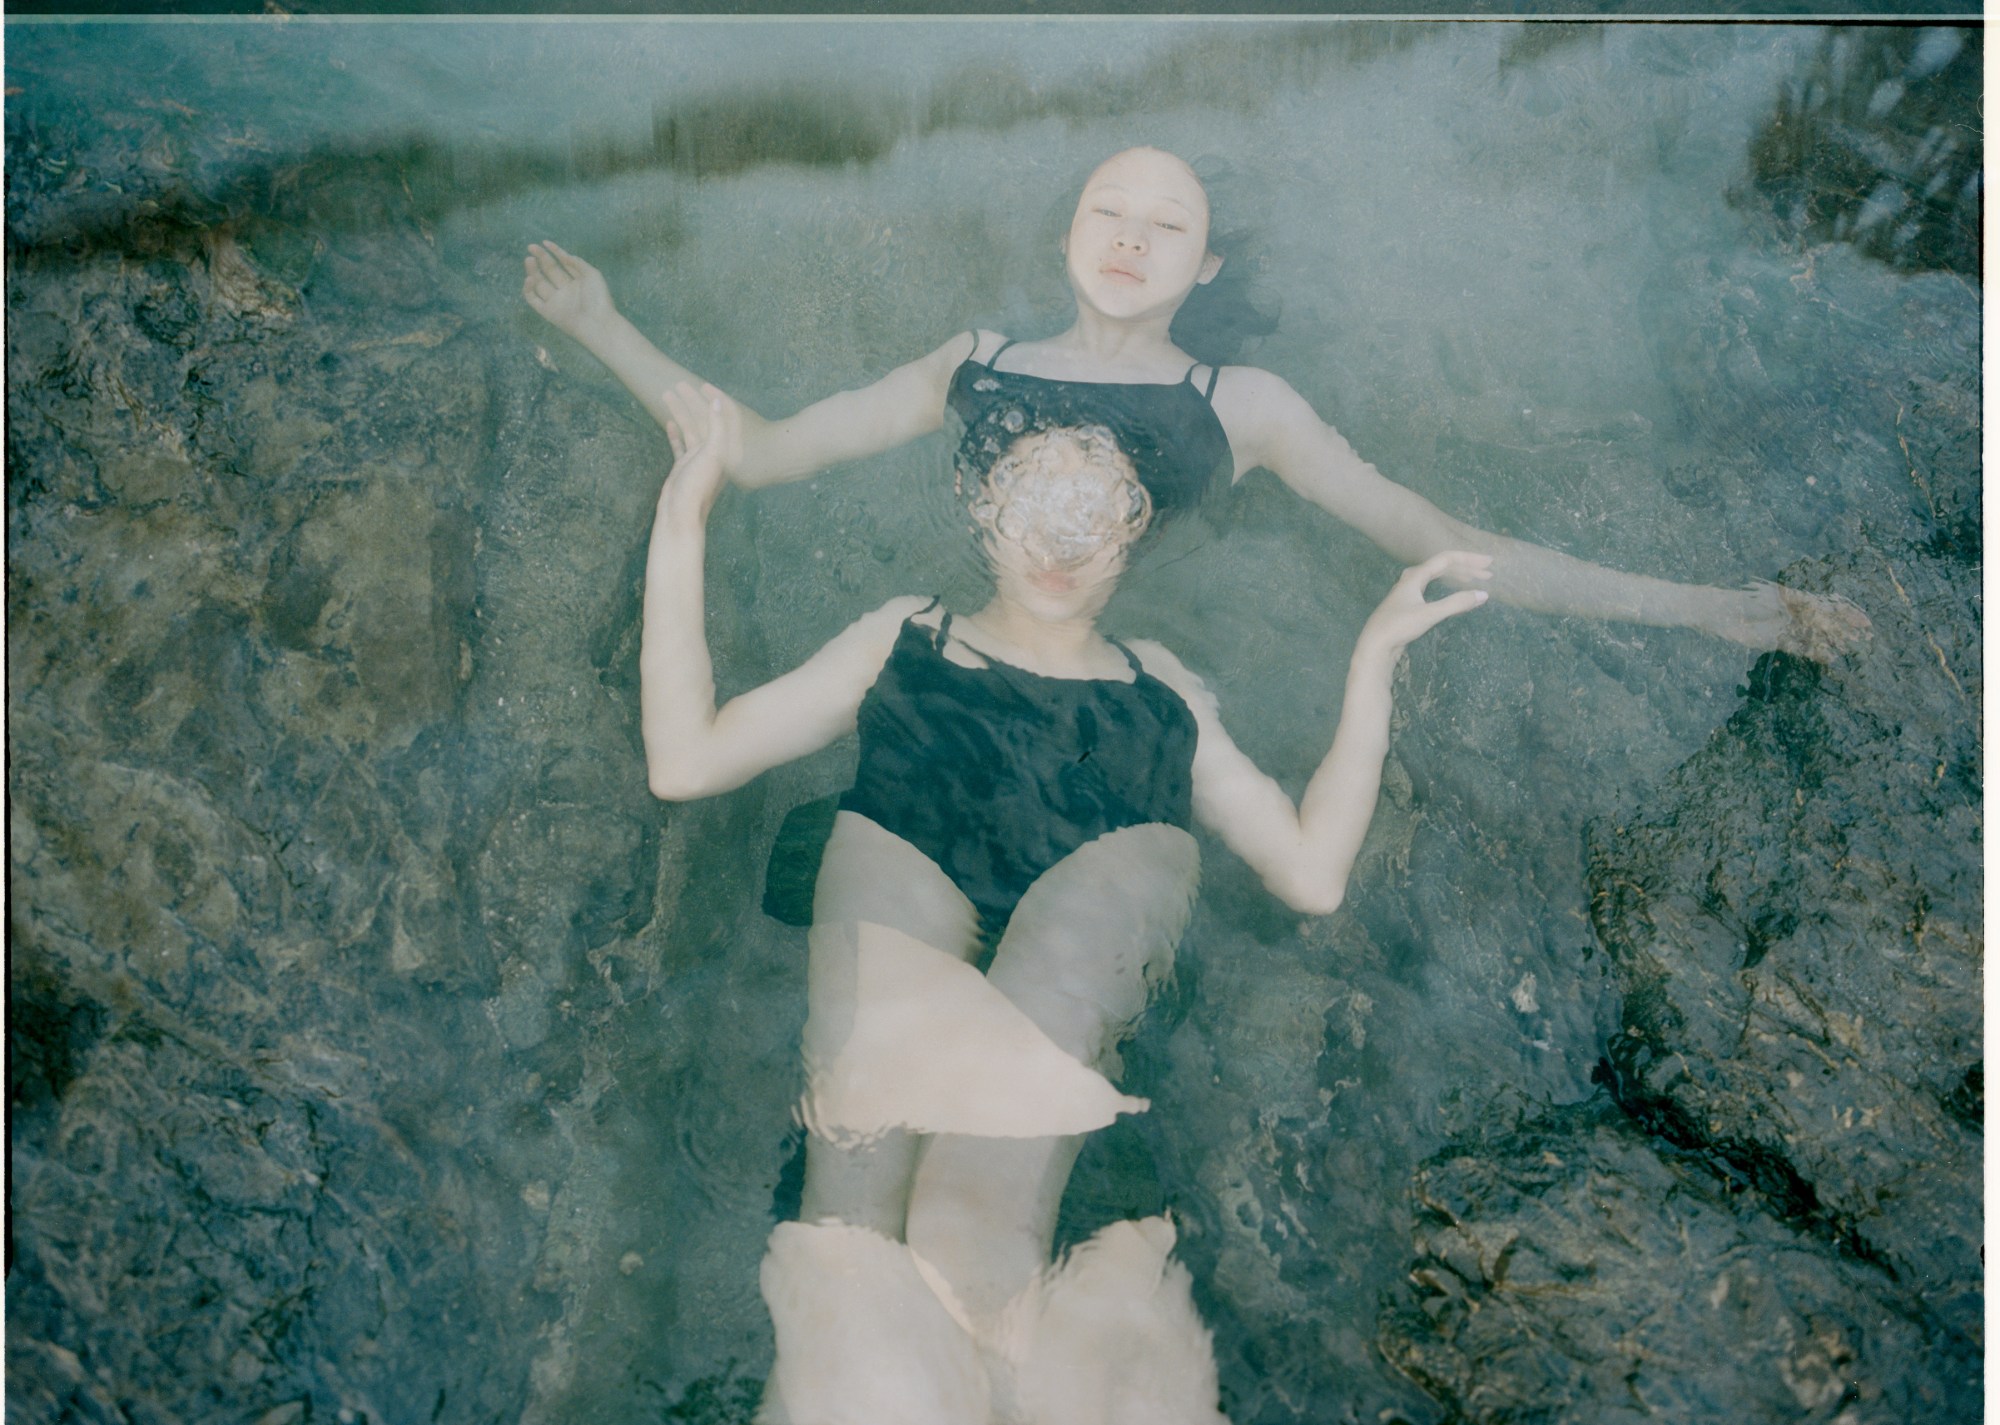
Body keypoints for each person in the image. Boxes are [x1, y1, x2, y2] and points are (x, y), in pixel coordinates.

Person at [642, 381, 1489, 1423]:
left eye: (1094, 516)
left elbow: (1308, 873)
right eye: (1035, 506)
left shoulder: (1162, 687)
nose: (1060, 544)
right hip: (907, 867)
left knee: (969, 1225)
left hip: (1092, 896)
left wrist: (1374, 659)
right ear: (982, 512)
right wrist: (683, 514)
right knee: (852, 1233)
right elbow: (685, 762)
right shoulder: (909, 633)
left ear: (1135, 536)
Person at [525, 145, 1868, 661]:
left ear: (1205, 264)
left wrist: (1718, 612)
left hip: (1139, 656)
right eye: (1107, 208)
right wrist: (603, 328)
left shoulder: (1247, 404)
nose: (1129, 234)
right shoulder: (972, 362)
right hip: (971, 646)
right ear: (1066, 233)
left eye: (1167, 223)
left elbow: (1445, 543)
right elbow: (751, 454)